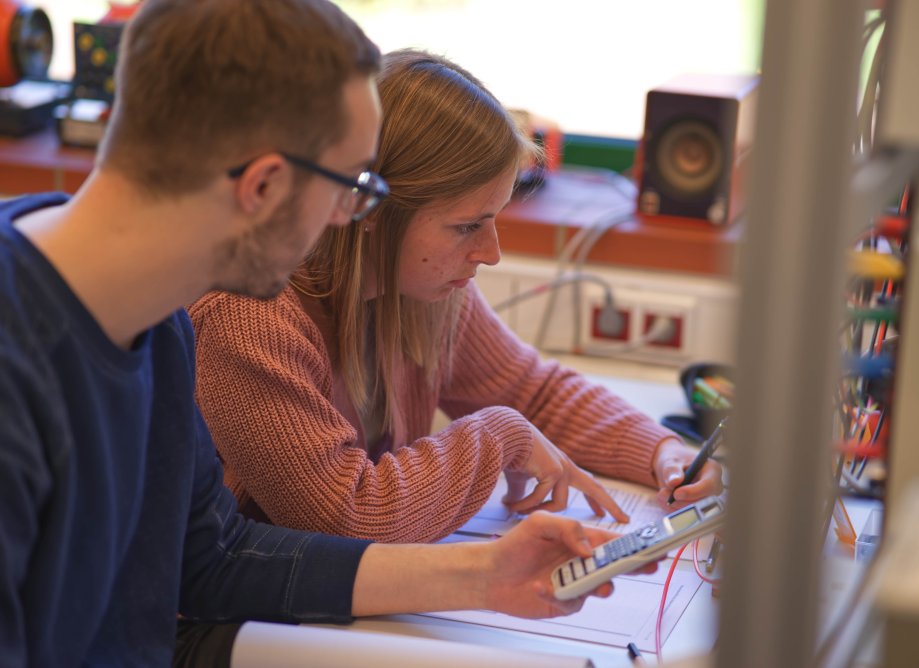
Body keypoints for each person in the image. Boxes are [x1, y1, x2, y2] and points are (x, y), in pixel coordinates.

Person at [0, 2, 636, 666]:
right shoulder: (21, 364)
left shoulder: (154, 320)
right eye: (356, 187)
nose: (351, 219)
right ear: (264, 184)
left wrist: (487, 575)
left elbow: (209, 559)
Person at [189, 49, 724, 544]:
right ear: (370, 209)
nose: (490, 253)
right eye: (467, 226)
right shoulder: (247, 317)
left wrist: (664, 451)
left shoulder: (424, 290)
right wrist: (498, 436)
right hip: (240, 626)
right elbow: (347, 514)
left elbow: (532, 392)